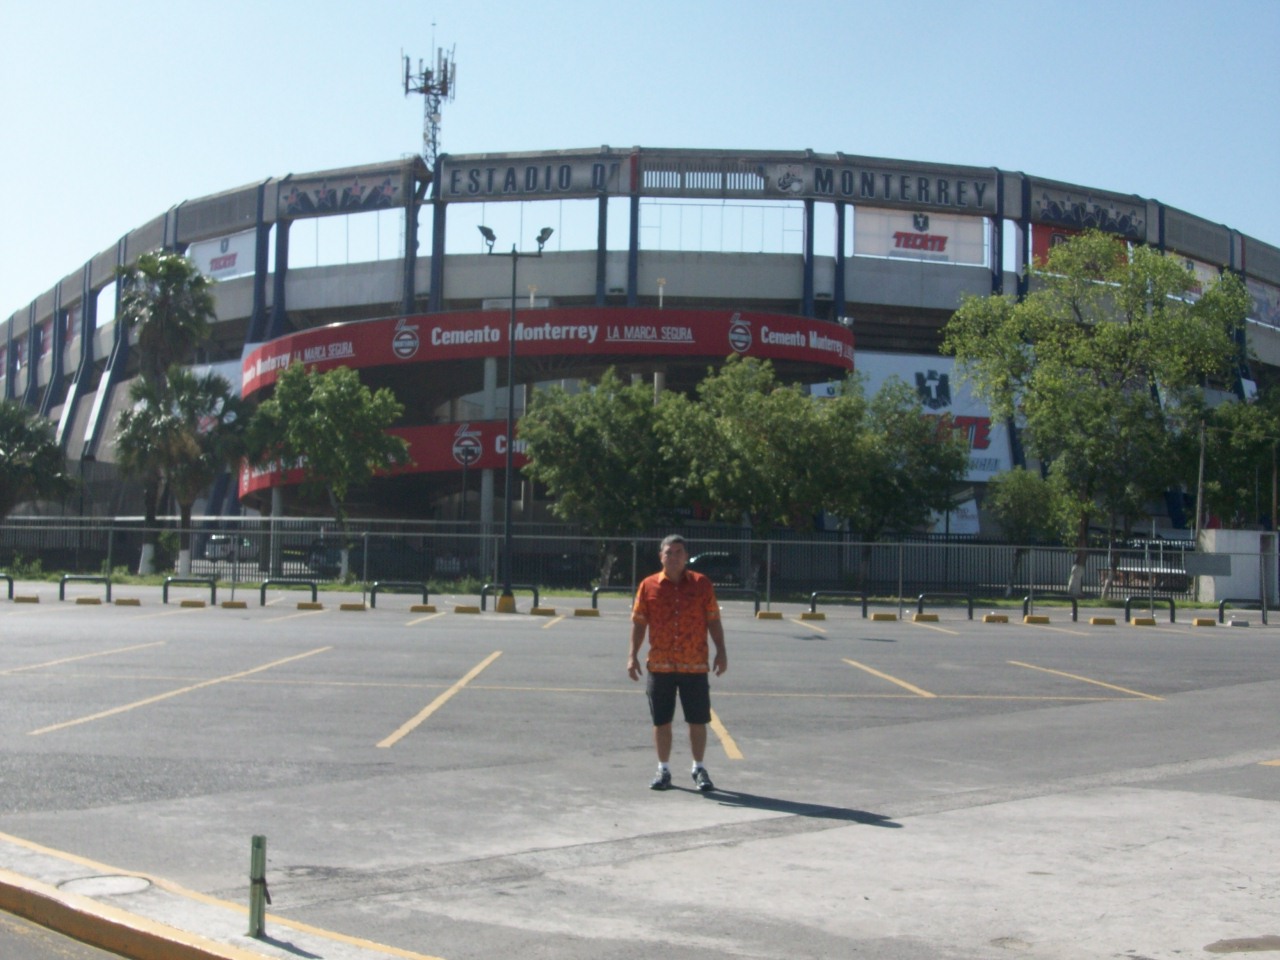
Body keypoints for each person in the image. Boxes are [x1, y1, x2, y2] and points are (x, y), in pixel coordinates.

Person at [627, 534, 728, 792]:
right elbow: (639, 623)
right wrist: (632, 656)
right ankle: (664, 769)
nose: (673, 557)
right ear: (661, 556)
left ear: (686, 556)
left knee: (698, 719)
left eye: (679, 552)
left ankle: (699, 767)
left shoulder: (701, 584)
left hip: (693, 664)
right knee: (662, 721)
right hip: (660, 665)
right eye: (669, 553)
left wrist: (721, 651)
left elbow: (713, 619)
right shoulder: (648, 586)